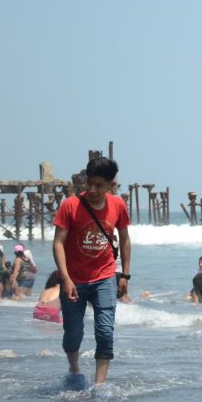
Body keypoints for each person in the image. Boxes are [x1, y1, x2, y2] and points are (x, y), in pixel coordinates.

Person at [52, 156, 131, 385]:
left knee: (105, 332)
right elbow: (58, 243)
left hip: (105, 277)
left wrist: (125, 274)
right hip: (73, 280)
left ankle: (99, 386)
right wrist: (65, 278)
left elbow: (124, 238)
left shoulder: (117, 205)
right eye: (90, 183)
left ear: (110, 184)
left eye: (99, 185)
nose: (93, 189)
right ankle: (75, 369)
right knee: (73, 334)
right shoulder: (70, 206)